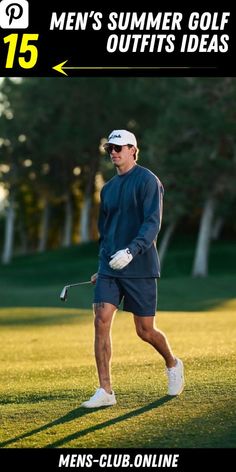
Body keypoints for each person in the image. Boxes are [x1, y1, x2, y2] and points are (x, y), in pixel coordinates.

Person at [81, 129, 184, 408]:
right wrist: (102, 266)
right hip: (110, 269)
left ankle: (173, 363)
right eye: (110, 149)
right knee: (101, 320)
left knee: (145, 330)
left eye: (118, 148)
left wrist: (131, 250)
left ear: (132, 150)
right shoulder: (108, 188)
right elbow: (105, 233)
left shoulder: (148, 181)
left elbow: (152, 223)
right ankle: (106, 391)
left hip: (140, 266)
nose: (113, 153)